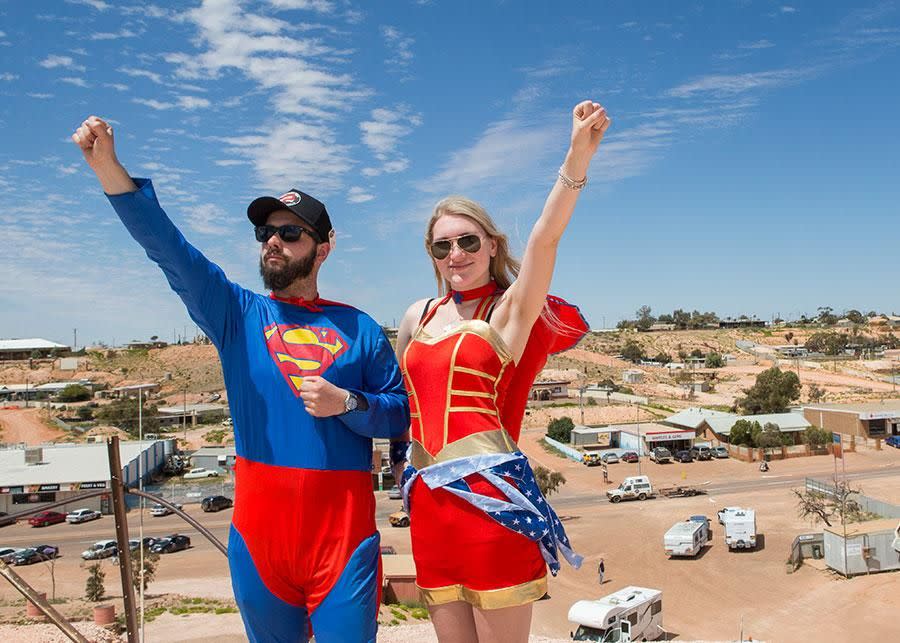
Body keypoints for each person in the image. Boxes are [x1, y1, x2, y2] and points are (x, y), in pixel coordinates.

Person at [72, 116, 409, 643]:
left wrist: (349, 402)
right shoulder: (236, 314)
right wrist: (110, 171)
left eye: (290, 232)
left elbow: (400, 414)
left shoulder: (361, 328)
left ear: (324, 247)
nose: (273, 242)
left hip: (343, 543)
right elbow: (170, 252)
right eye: (265, 232)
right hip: (259, 541)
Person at [392, 100, 611, 642]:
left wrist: (577, 156)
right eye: (443, 245)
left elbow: (545, 238)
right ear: (433, 255)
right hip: (430, 513)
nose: (456, 253)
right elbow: (407, 409)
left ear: (491, 245)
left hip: (492, 509)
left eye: (468, 240)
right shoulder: (415, 317)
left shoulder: (509, 311)